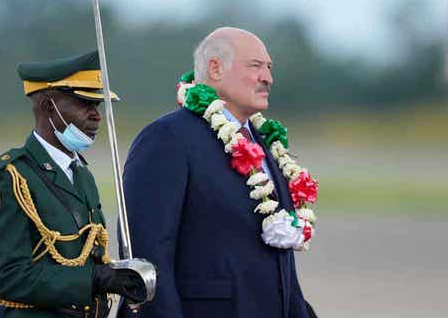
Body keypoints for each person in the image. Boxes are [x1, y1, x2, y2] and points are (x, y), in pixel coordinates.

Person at [122, 27, 319, 317]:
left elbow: (281, 266)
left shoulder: (266, 143)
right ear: (215, 68)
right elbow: (148, 252)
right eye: (255, 66)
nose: (268, 78)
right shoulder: (168, 138)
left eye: (269, 67)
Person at [0, 50, 153, 318]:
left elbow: (88, 254)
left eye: (97, 105)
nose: (97, 115)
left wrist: (118, 274)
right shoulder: (11, 177)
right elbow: (6, 277)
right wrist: (93, 280)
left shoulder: (81, 173)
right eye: (85, 104)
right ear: (48, 107)